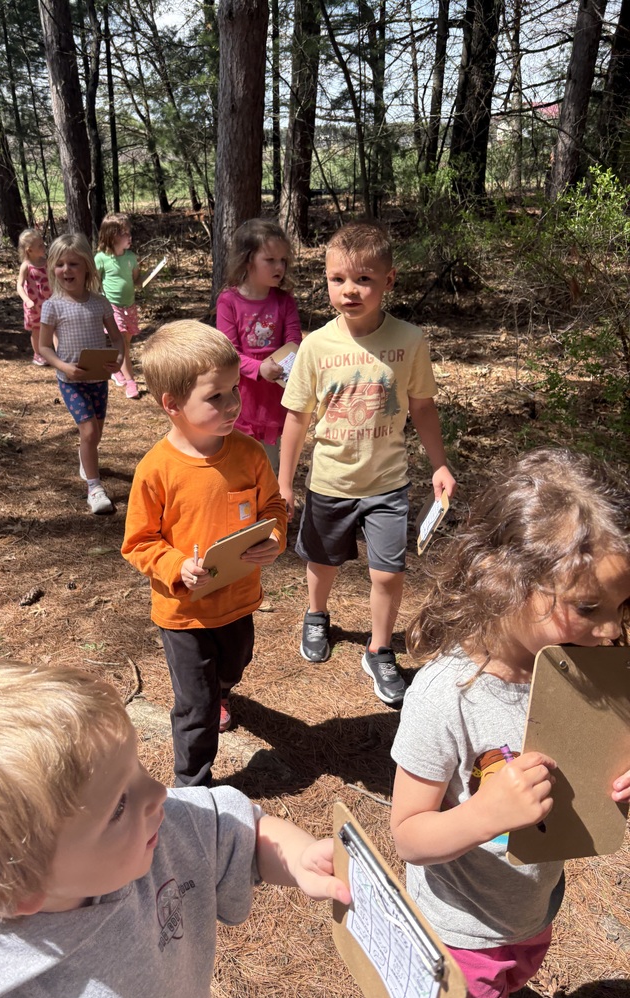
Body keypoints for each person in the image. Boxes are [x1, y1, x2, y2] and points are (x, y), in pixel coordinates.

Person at [0, 661, 351, 998]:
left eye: (137, 766)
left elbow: (234, 830)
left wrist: (295, 855)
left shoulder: (154, 835)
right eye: (118, 804)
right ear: (20, 889)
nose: (159, 793)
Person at [389, 448, 630, 998]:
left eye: (624, 606)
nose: (613, 629)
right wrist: (487, 813)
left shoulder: (585, 669)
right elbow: (408, 836)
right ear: (505, 581)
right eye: (588, 607)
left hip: (534, 907)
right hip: (459, 931)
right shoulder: (447, 693)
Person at [278, 220, 456, 705]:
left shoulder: (409, 340)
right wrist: (285, 481)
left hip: (388, 483)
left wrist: (439, 465)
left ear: (389, 281)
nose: (349, 290)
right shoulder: (315, 346)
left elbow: (421, 405)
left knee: (388, 572)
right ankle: (317, 615)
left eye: (363, 280)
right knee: (321, 558)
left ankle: (379, 649)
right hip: (331, 481)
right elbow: (296, 417)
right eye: (338, 279)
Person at [122, 321, 287, 786]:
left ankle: (222, 690)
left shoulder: (250, 453)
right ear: (172, 405)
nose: (233, 403)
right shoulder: (157, 470)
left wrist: (274, 537)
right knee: (194, 707)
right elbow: (138, 542)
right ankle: (192, 786)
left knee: (234, 664)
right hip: (184, 611)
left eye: (234, 390)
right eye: (215, 397)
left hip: (238, 598)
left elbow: (273, 506)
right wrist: (176, 566)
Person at [38, 232, 124, 515]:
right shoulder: (52, 306)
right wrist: (63, 367)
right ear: (53, 268)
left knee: (95, 434)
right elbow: (44, 346)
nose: (66, 270)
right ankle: (95, 488)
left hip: (99, 379)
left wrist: (119, 357)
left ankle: (85, 458)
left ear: (87, 265)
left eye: (73, 264)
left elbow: (116, 337)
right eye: (60, 264)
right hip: (71, 381)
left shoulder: (99, 302)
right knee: (87, 431)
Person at [216, 218, 303, 473]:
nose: (279, 267)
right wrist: (259, 368)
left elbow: (294, 342)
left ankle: (269, 510)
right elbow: (229, 352)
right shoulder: (228, 301)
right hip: (241, 398)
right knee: (239, 464)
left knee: (270, 466)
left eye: (283, 260)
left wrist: (283, 366)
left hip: (275, 398)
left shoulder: (284, 301)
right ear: (247, 259)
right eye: (270, 260)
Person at [95, 212, 142, 399]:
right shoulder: (101, 258)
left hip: (129, 306)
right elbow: (94, 280)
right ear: (113, 235)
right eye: (125, 234)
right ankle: (131, 382)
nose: (129, 237)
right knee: (121, 342)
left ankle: (117, 369)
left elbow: (136, 279)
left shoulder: (131, 257)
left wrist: (146, 279)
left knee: (127, 343)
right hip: (112, 306)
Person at [15, 228, 51, 365]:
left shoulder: (47, 262)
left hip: (49, 302)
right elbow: (19, 285)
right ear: (29, 250)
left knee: (53, 327)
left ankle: (58, 353)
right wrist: (27, 300)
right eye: (40, 245)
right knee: (37, 330)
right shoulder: (26, 266)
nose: (44, 247)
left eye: (43, 243)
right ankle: (38, 354)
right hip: (34, 305)